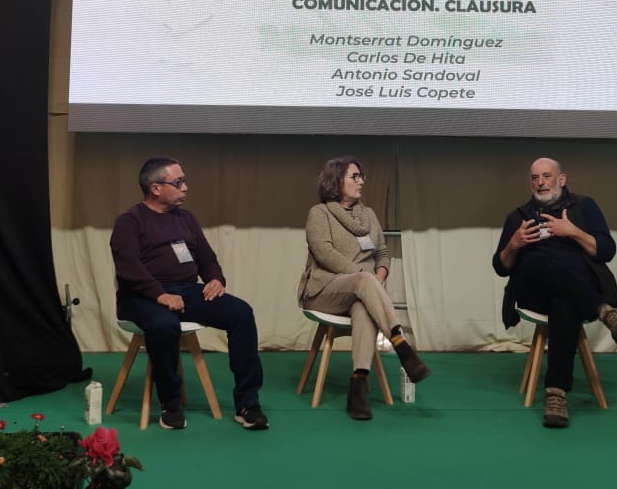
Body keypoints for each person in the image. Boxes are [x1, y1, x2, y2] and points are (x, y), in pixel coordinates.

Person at [111, 157, 269, 431]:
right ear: (156, 188)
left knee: (241, 313)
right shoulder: (130, 221)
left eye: (184, 181)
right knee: (164, 325)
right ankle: (170, 404)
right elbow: (128, 269)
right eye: (178, 182)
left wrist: (216, 279)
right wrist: (159, 295)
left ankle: (247, 403)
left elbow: (206, 258)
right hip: (141, 295)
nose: (185, 187)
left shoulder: (186, 218)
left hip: (186, 290)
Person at [491, 157, 617, 428]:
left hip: (572, 295)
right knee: (540, 263)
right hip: (533, 292)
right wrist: (514, 243)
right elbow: (501, 267)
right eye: (535, 178)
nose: (541, 182)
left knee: (563, 303)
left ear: (561, 179)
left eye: (546, 176)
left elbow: (607, 250)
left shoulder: (584, 206)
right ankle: (604, 311)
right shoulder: (519, 217)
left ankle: (556, 394)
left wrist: (574, 232)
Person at [300, 156, 432, 420]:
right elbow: (324, 253)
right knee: (364, 282)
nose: (361, 181)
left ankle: (358, 387)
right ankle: (400, 343)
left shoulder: (369, 215)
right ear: (336, 182)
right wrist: (366, 276)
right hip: (323, 289)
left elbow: (382, 252)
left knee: (363, 305)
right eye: (355, 176)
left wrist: (380, 274)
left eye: (362, 176)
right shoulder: (320, 213)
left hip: (362, 290)